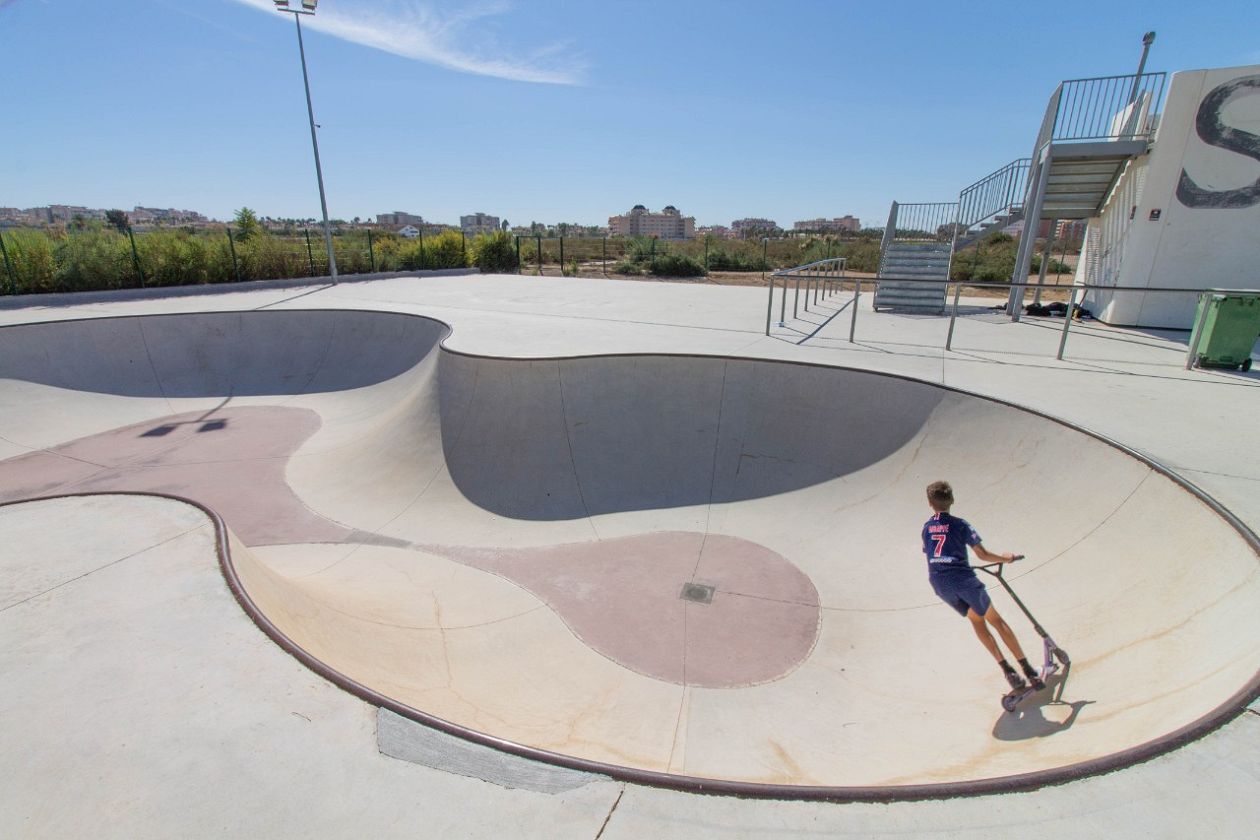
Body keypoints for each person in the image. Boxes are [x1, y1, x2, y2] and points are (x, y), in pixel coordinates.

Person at [921, 480, 1043, 692]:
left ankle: (1008, 672)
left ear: (930, 503)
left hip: (940, 582)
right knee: (995, 620)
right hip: (962, 578)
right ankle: (1028, 670)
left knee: (977, 620)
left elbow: (930, 551)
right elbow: (982, 554)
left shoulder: (927, 528)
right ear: (952, 500)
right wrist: (1007, 559)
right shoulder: (961, 525)